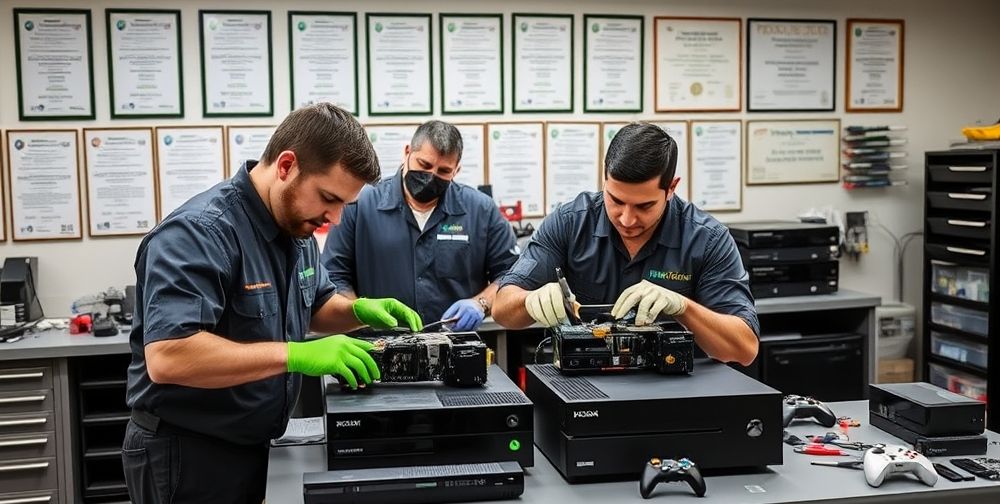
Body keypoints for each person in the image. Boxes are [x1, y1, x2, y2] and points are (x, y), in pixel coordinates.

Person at [123, 103, 423, 504]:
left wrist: (357, 311)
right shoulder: (201, 232)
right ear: (286, 166)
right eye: (328, 198)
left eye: (343, 207)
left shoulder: (296, 232)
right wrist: (296, 355)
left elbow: (315, 306)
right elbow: (169, 357)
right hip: (187, 455)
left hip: (251, 446)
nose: (333, 219)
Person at [492, 122, 759, 366]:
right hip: (584, 386)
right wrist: (529, 301)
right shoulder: (570, 223)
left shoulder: (707, 239)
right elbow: (502, 309)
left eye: (645, 206)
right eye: (616, 200)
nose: (627, 219)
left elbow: (744, 350)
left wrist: (683, 307)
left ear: (671, 188)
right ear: (604, 178)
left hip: (675, 390)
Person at [322, 120, 518, 332]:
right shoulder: (358, 205)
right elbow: (334, 275)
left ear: (457, 170)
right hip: (379, 347)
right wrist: (357, 315)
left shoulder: (482, 210)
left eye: (443, 171)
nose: (430, 176)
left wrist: (480, 303)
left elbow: (511, 274)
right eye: (424, 165)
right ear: (407, 152)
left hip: (455, 346)